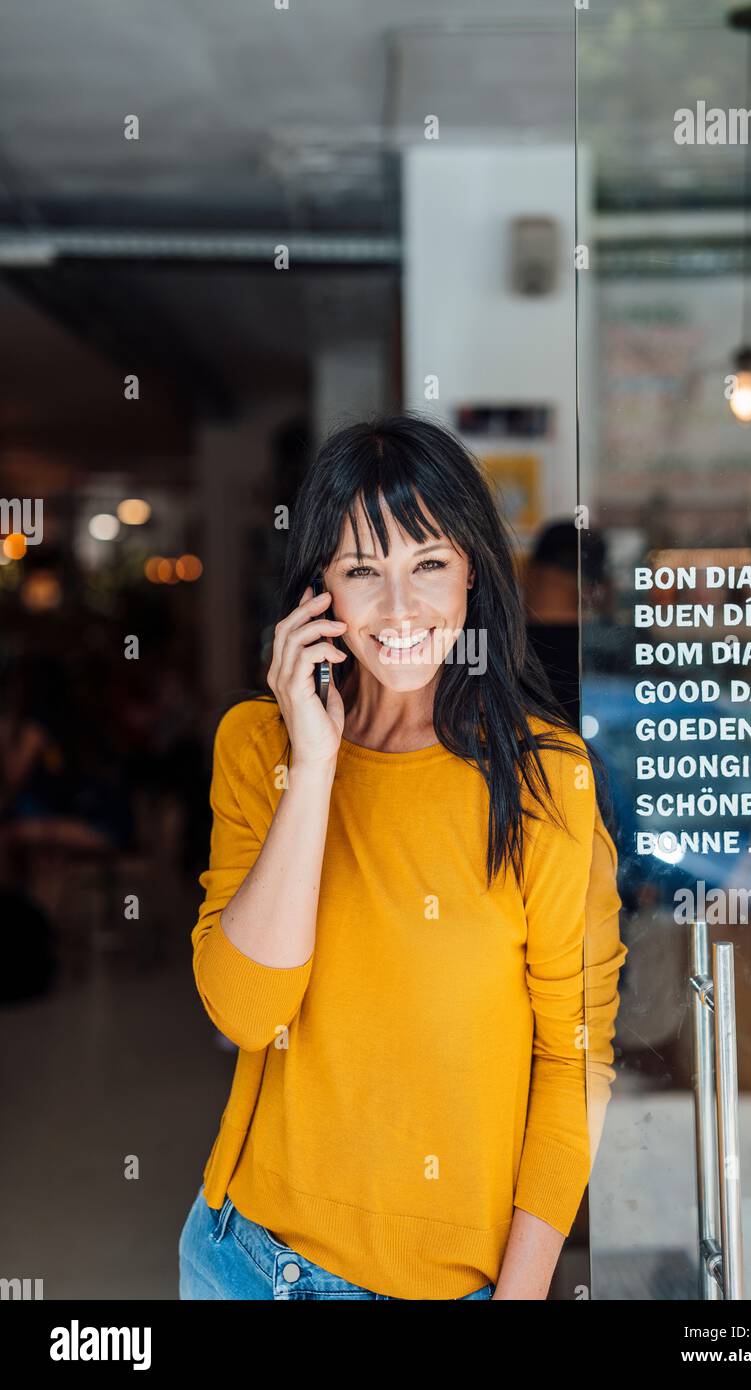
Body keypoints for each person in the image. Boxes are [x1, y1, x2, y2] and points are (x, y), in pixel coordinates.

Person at [179, 412, 627, 1301]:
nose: (398, 609)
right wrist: (312, 766)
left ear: (471, 575)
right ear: (318, 596)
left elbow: (573, 1066)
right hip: (239, 1258)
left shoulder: (545, 784)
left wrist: (523, 1295)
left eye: (427, 564)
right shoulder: (257, 744)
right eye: (361, 571)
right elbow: (244, 1014)